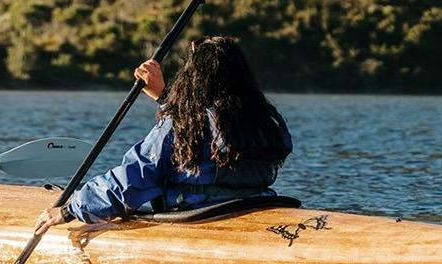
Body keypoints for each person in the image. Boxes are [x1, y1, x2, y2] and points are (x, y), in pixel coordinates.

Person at [34, 35, 292, 234]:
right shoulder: (265, 118)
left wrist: (70, 210)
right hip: (257, 206)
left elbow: (136, 178)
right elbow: (210, 124)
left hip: (199, 215)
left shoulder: (182, 121)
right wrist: (166, 99)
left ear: (193, 77)